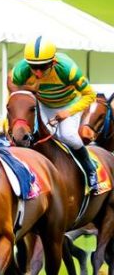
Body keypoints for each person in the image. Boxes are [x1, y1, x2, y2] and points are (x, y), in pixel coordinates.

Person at [11, 37, 99, 191]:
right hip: (43, 104)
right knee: (33, 136)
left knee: (67, 135)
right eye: (33, 66)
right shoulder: (21, 70)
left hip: (69, 104)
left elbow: (90, 95)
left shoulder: (67, 69)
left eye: (43, 66)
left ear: (53, 62)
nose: (38, 72)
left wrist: (68, 112)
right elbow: (13, 88)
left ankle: (90, 169)